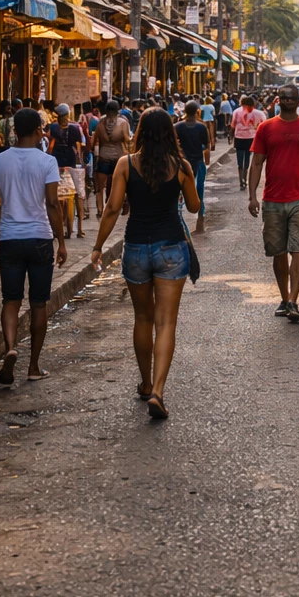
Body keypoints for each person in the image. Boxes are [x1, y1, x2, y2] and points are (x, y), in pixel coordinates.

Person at [91, 108, 200, 420]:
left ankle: (145, 382)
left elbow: (112, 208)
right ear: (170, 133)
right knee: (166, 323)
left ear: (139, 133)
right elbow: (193, 206)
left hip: (136, 248)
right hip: (171, 249)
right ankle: (158, 392)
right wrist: (184, 185)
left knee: (143, 319)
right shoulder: (181, 166)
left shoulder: (126, 164)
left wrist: (98, 247)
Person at [0, 108, 67, 385]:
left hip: (9, 237)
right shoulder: (47, 162)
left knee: (11, 300)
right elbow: (53, 204)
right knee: (39, 303)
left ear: (15, 131)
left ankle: (10, 348)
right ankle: (33, 366)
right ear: (39, 131)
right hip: (40, 237)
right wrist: (62, 240)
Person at [246, 84, 299, 324]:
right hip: (272, 199)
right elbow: (257, 163)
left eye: (292, 98)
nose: (288, 101)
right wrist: (252, 195)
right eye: (284, 98)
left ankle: (293, 300)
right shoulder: (265, 128)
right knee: (278, 252)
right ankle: (284, 298)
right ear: (278, 101)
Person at [47, 104, 88, 238]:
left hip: (57, 163)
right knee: (78, 193)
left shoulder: (52, 127)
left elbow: (50, 145)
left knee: (58, 194)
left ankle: (57, 226)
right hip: (72, 163)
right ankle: (80, 228)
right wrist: (80, 161)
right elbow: (79, 147)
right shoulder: (76, 128)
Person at [175, 99, 214, 235]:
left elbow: (174, 145)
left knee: (177, 193)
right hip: (198, 162)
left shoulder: (178, 126)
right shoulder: (201, 127)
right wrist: (207, 161)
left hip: (181, 164)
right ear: (198, 111)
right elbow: (207, 145)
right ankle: (200, 220)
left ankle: (177, 222)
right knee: (199, 192)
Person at [91, 100, 132, 218]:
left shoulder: (100, 124)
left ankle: (100, 210)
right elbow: (126, 140)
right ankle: (120, 203)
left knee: (99, 187)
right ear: (117, 110)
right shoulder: (123, 123)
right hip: (118, 159)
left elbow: (94, 142)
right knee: (121, 183)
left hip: (103, 157)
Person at [231, 94, 265, 191]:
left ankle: (241, 181)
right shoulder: (259, 113)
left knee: (239, 160)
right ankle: (245, 179)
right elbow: (263, 126)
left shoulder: (236, 112)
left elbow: (233, 125)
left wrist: (230, 136)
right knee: (247, 160)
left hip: (239, 138)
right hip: (251, 138)